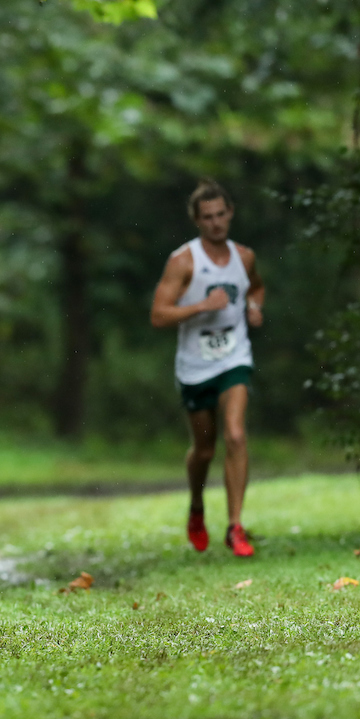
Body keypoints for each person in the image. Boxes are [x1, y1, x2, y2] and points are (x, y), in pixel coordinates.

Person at [150, 179, 265, 557]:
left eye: (221, 215)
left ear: (230, 213)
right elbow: (159, 315)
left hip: (234, 356)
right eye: (208, 217)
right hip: (196, 365)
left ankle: (235, 527)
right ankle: (197, 509)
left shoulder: (244, 256)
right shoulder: (183, 261)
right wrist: (202, 305)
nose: (216, 223)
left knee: (235, 434)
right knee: (204, 449)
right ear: (197, 221)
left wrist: (254, 307)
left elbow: (256, 287)